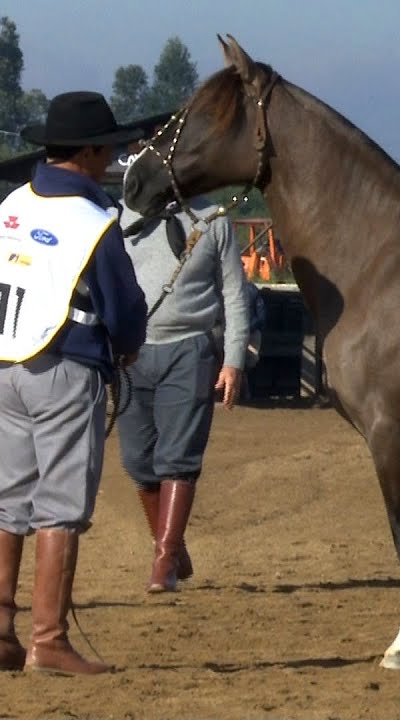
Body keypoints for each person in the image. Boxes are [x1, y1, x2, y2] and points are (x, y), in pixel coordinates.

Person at [0, 91, 147, 675]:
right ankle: (48, 641)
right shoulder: (94, 220)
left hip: (9, 366)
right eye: (110, 148)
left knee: (8, 499)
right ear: (91, 152)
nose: (114, 157)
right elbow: (123, 309)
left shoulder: (12, 204)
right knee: (62, 504)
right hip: (66, 365)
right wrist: (125, 348)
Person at [117, 172, 253, 594]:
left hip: (190, 348)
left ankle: (163, 564)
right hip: (132, 352)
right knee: (137, 461)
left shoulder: (215, 220)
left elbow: (235, 293)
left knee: (177, 458)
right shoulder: (121, 218)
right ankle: (173, 544)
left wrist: (233, 360)